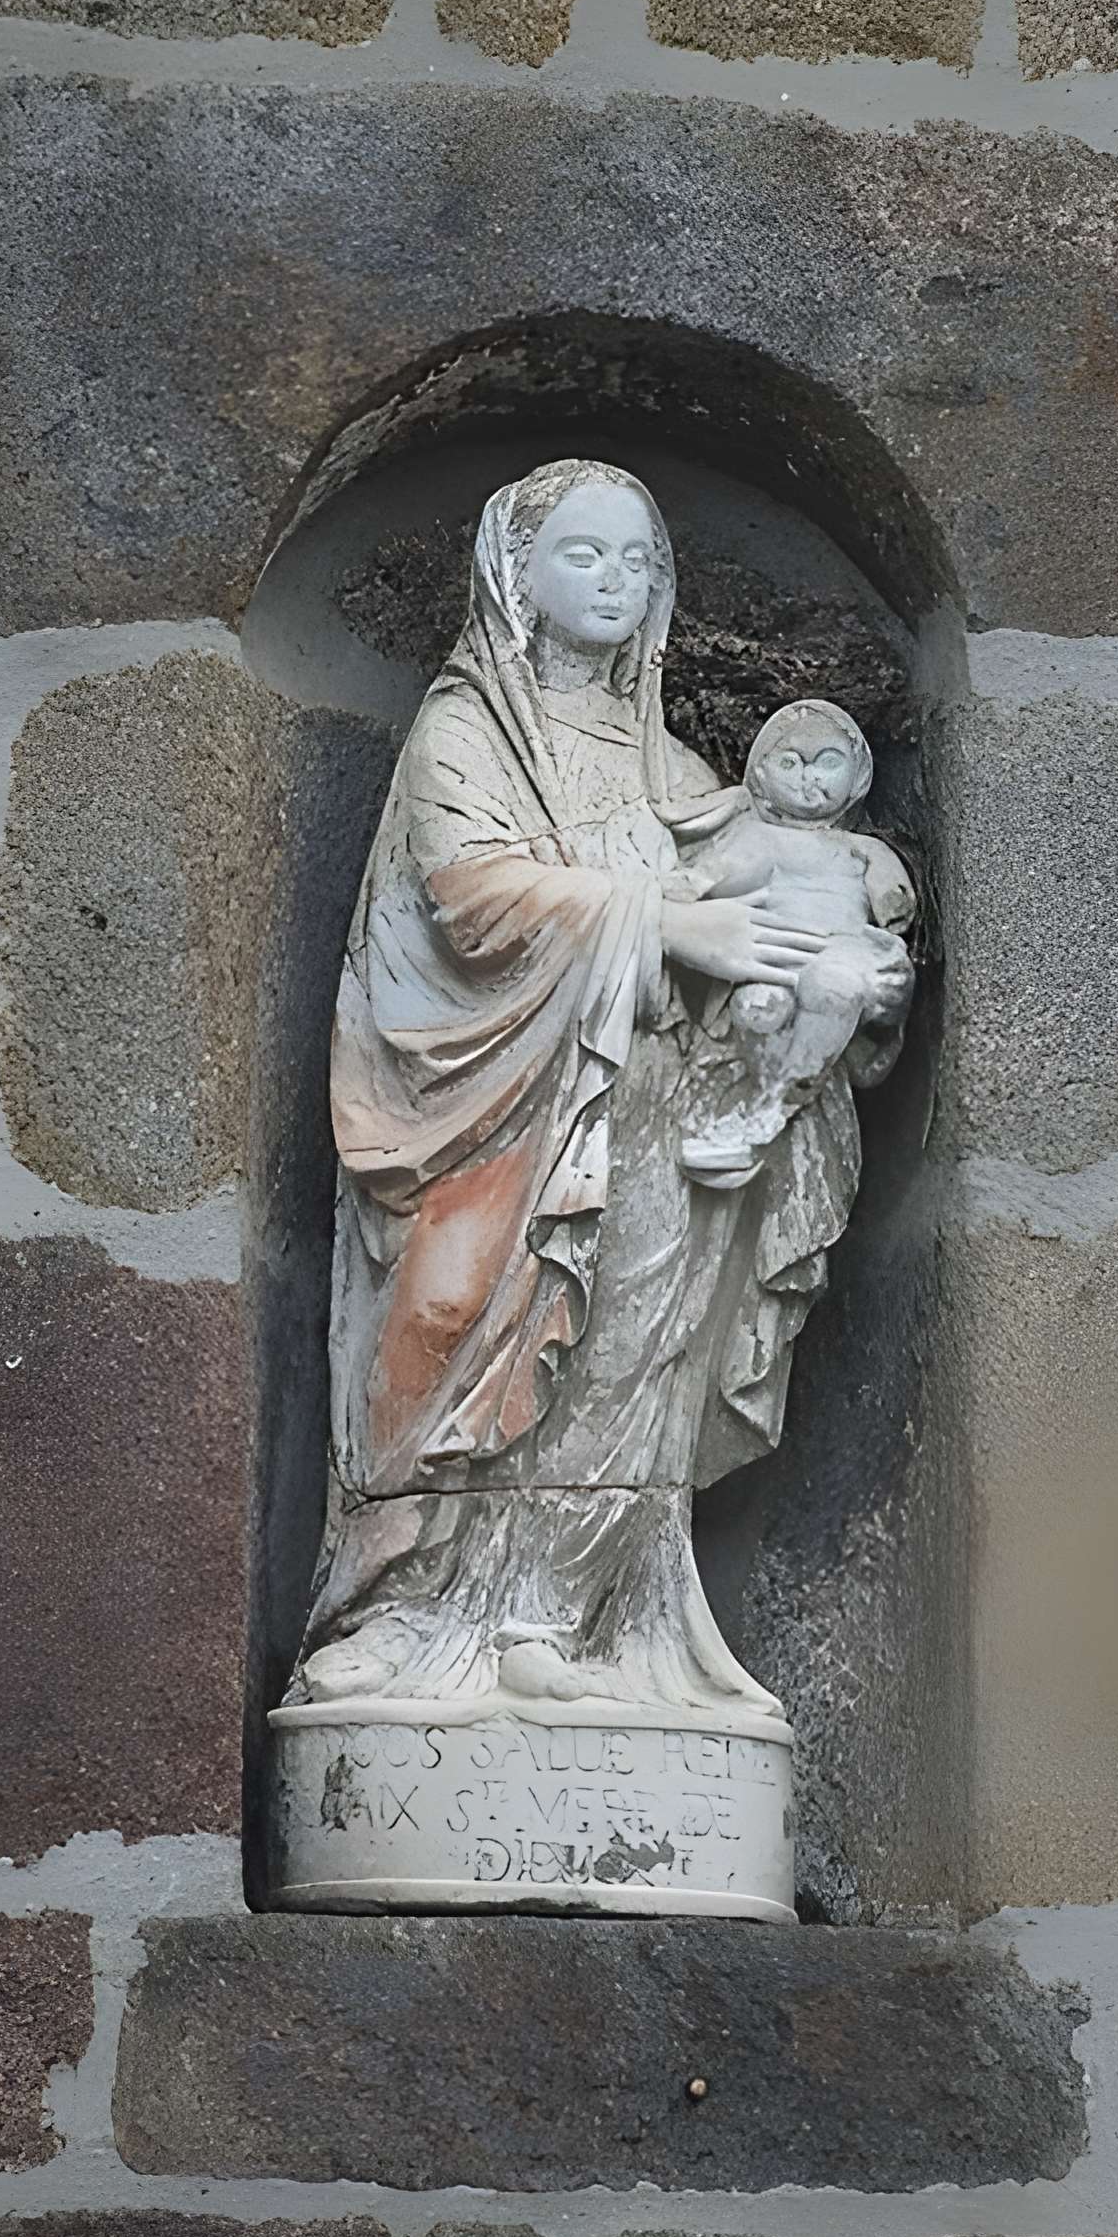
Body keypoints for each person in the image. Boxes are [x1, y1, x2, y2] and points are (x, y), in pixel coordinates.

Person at [286, 460, 911, 1716]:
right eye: (583, 555)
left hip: (651, 1126)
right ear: (516, 576)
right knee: (444, 1318)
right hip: (493, 1113)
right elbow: (467, 897)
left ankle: (568, 1618)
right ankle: (405, 1609)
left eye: (637, 559)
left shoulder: (673, 770)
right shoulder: (467, 733)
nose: (615, 581)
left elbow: (774, 889)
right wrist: (665, 924)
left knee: (629, 1357)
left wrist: (859, 970)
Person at [665, 698, 915, 1180]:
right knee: (757, 1007)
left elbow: (896, 905)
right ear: (760, 775)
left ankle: (772, 1109)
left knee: (833, 986)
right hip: (778, 957)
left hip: (848, 953)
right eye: (790, 763)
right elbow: (717, 876)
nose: (808, 778)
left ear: (857, 775)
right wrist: (684, 886)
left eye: (828, 762)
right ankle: (757, 1105)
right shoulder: (758, 837)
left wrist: (895, 907)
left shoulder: (862, 849)